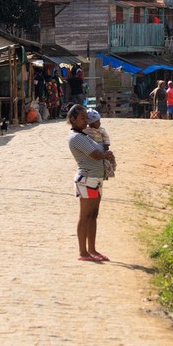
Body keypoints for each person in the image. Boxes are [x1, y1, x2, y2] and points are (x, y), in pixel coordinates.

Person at [67, 104, 116, 262]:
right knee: (85, 216)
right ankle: (83, 252)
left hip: (95, 178)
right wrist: (105, 154)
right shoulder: (76, 137)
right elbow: (95, 154)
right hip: (87, 179)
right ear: (73, 119)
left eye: (86, 118)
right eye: (82, 118)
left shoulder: (83, 135)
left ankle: (92, 250)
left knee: (93, 215)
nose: (86, 122)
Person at [84, 109, 116, 179]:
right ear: (91, 123)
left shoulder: (101, 129)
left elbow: (106, 136)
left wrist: (106, 144)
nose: (100, 123)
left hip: (101, 146)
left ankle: (107, 173)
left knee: (106, 160)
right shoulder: (85, 129)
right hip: (92, 148)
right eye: (97, 121)